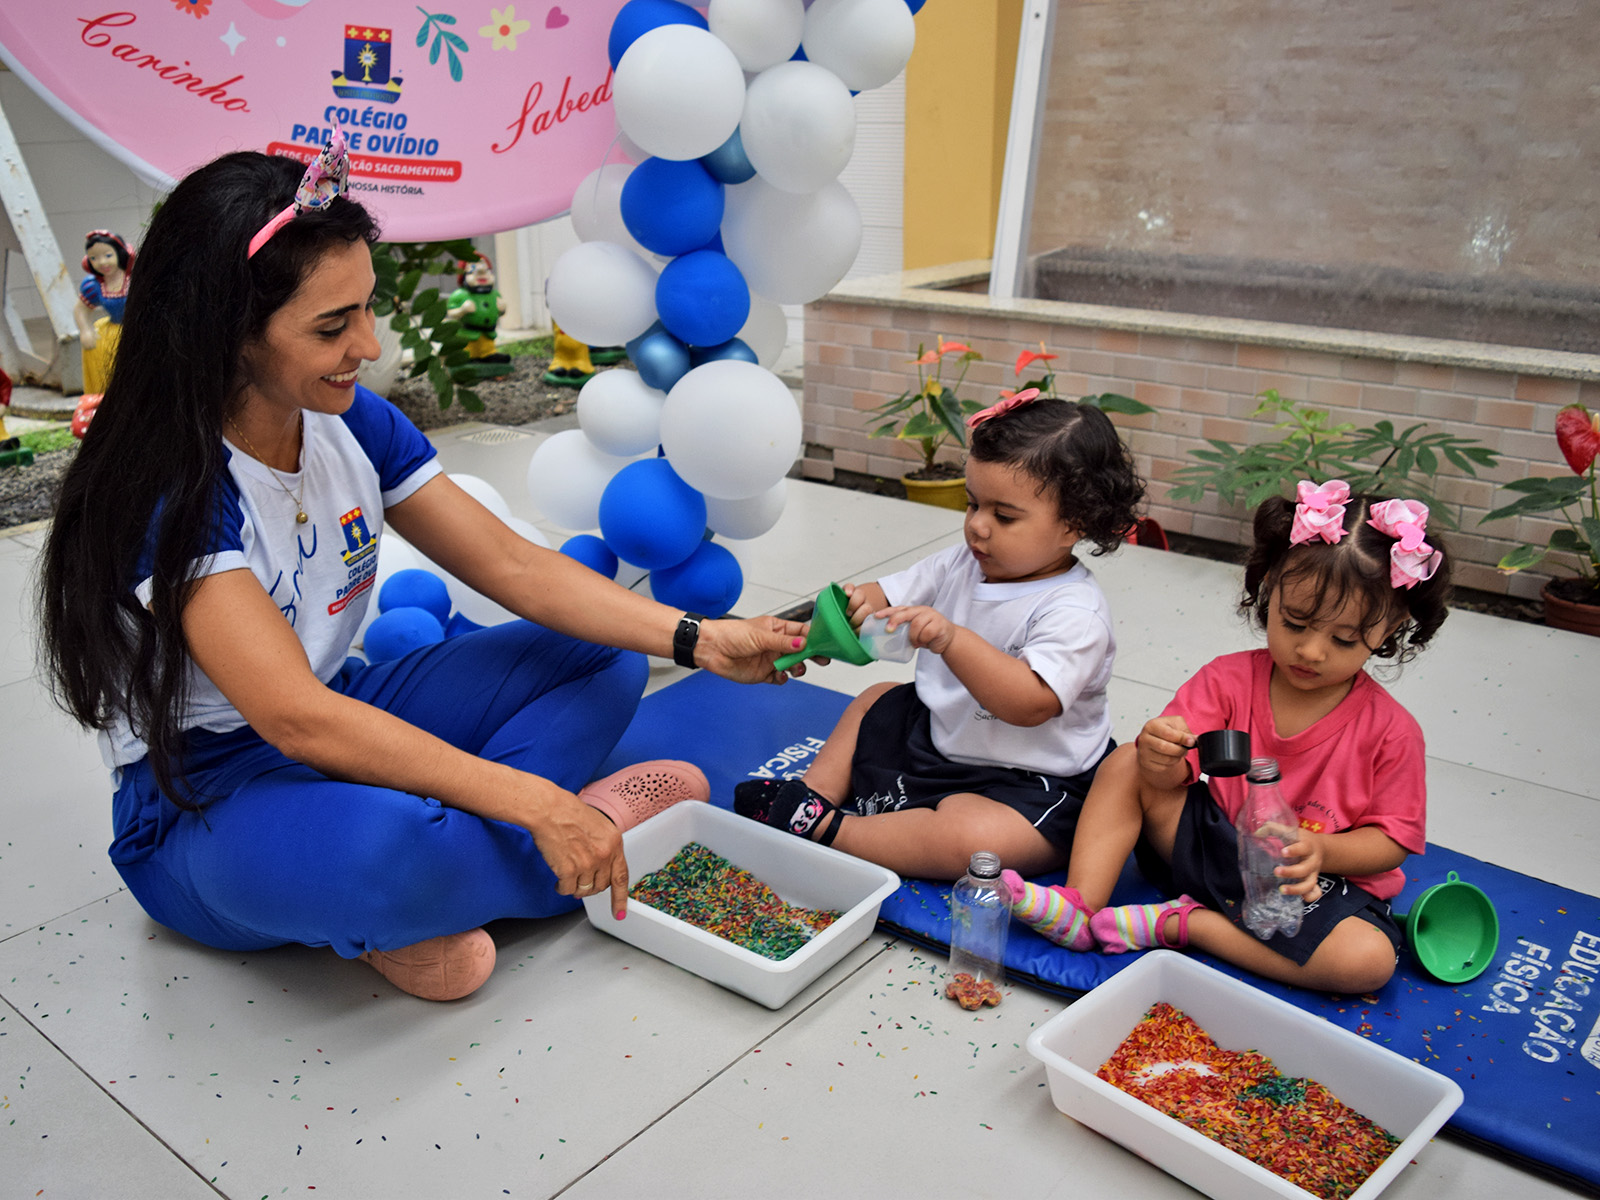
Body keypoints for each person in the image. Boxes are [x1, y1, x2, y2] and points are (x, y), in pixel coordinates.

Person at [37, 132, 807, 1003]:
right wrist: (539, 804)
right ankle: (551, 841)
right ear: (229, 332)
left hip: (344, 713)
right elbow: (294, 721)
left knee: (607, 650)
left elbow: (513, 565)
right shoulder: (171, 485)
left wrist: (700, 638)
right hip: (201, 793)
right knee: (380, 854)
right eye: (332, 326)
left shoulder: (347, 421)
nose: (368, 344)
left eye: (367, 308)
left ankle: (428, 888)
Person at [1008, 480, 1451, 995]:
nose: (1311, 651)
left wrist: (1320, 850)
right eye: (1295, 622)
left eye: (1344, 639)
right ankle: (1080, 905)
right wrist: (1161, 755)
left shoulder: (1392, 731)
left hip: (1307, 884)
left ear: (1391, 627)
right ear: (1270, 589)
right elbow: (1168, 773)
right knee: (1126, 760)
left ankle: (1187, 925)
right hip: (1212, 848)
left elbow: (1392, 842)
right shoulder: (1228, 679)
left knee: (1368, 961)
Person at [735, 388, 1146, 880]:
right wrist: (852, 609)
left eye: (1004, 516)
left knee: (973, 841)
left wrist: (952, 640)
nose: (978, 527)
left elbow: (1029, 704)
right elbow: (885, 594)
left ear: (1074, 525)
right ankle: (810, 795)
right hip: (939, 734)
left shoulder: (1075, 611)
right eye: (973, 504)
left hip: (1032, 778)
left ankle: (828, 829)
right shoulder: (960, 563)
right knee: (876, 698)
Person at [73, 229, 135, 394]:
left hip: (136, 330)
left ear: (120, 254)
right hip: (112, 332)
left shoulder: (135, 279)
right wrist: (85, 330)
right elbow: (80, 309)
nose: (102, 262)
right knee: (97, 351)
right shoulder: (94, 286)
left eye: (108, 255)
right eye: (94, 258)